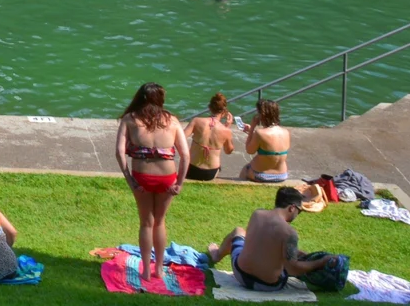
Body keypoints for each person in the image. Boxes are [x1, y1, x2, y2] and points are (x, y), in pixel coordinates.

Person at [115, 82, 190, 284]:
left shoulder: (130, 119)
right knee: (160, 222)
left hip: (142, 177)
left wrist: (129, 179)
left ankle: (146, 270)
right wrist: (180, 183)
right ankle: (159, 270)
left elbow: (119, 152)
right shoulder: (172, 121)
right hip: (168, 177)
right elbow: (185, 155)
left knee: (146, 223)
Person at [208, 186, 332, 292]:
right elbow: (293, 269)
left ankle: (217, 255)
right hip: (267, 285)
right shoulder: (289, 233)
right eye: (299, 211)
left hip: (240, 274)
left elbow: (263, 243)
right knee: (293, 263)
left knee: (238, 231)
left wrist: (299, 253)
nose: (297, 215)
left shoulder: (257, 214)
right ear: (292, 208)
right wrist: (319, 263)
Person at [185, 93, 236, 182]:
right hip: (210, 173)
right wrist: (226, 128)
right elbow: (229, 151)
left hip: (192, 169)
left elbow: (181, 137)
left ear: (210, 108)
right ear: (224, 112)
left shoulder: (196, 121)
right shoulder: (226, 131)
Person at [241, 99, 291, 182]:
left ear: (262, 115)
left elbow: (249, 150)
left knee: (245, 169)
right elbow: (271, 144)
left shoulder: (260, 133)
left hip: (262, 175)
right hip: (282, 175)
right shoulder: (286, 132)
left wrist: (252, 127)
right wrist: (251, 132)